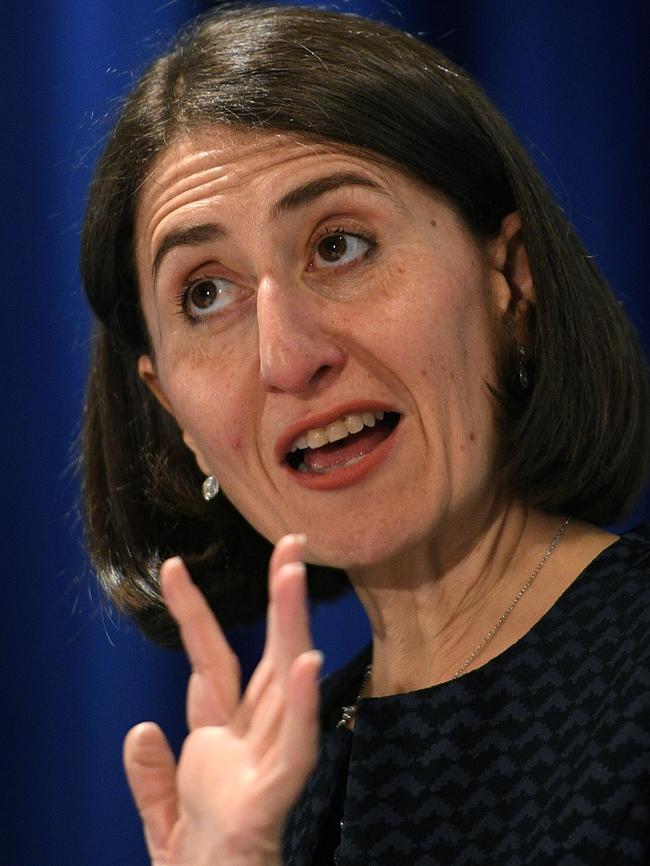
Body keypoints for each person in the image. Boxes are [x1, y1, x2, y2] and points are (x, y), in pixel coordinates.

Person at [80, 4, 650, 864]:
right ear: (175, 417)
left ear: (512, 283)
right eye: (206, 293)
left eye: (339, 244)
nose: (287, 356)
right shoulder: (270, 786)